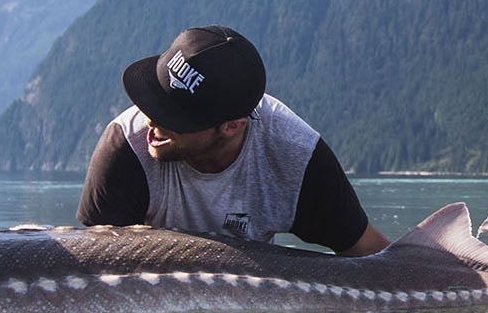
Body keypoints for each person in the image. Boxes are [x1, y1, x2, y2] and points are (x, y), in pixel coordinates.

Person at [76, 25, 388, 256]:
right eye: (155, 99)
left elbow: (369, 252)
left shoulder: (295, 155)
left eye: (173, 116)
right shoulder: (126, 146)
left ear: (232, 126)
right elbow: (99, 273)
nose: (150, 120)